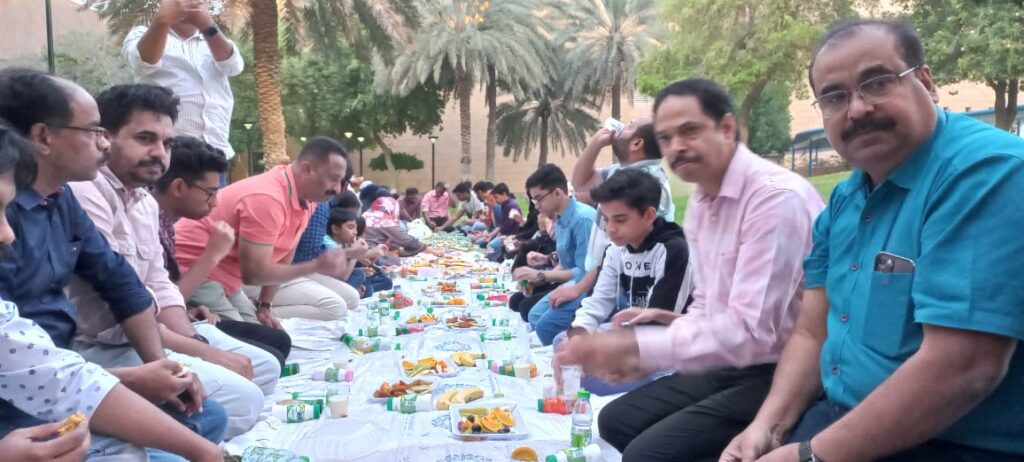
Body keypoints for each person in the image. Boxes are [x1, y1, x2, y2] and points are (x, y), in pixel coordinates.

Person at [723, 19, 1024, 462]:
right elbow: (812, 331)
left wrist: (809, 456)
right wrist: (768, 427)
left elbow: (965, 366)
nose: (858, 109)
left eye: (878, 82)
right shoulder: (845, 200)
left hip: (953, 442)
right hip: (839, 418)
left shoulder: (985, 173)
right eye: (834, 97)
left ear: (926, 83)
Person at [555, 78, 824, 461]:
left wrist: (640, 349)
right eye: (666, 138)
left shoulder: (776, 201)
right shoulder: (703, 202)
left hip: (778, 371)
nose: (676, 147)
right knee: (615, 421)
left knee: (645, 454)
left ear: (726, 128)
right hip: (723, 362)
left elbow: (750, 330)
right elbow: (709, 307)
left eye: (689, 131)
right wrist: (656, 334)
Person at [0, 69, 226, 457]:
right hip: (46, 379)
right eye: (94, 131)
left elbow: (123, 283)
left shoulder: (62, 200)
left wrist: (161, 368)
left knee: (207, 417)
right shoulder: (72, 197)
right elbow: (36, 370)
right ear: (42, 137)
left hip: (53, 369)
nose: (8, 235)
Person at [67, 85, 273, 439]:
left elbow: (159, 285)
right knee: (243, 400)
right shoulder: (85, 192)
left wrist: (196, 342)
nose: (159, 153)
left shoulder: (144, 203)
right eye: (145, 138)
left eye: (167, 143)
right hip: (100, 347)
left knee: (263, 368)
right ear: (104, 137)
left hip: (149, 337)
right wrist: (196, 352)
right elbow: (117, 303)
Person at [176, 136, 366, 324]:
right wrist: (316, 266)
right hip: (195, 270)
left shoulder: (307, 199)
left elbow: (285, 254)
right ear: (307, 169)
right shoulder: (268, 198)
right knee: (250, 340)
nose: (337, 189)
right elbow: (254, 274)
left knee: (267, 336)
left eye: (341, 181)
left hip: (228, 279)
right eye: (334, 179)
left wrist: (265, 306)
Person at [155, 136, 293, 370]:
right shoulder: (144, 221)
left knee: (277, 343)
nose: (216, 203)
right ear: (178, 187)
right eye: (210, 193)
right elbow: (153, 312)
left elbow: (167, 299)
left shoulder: (165, 222)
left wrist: (187, 311)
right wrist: (213, 254)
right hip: (151, 336)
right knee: (267, 361)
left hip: (176, 315)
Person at [548, 116, 682, 318]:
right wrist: (596, 143)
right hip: (604, 272)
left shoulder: (649, 182)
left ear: (637, 143)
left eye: (629, 126)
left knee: (549, 325)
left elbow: (622, 250)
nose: (620, 128)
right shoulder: (622, 171)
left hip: (624, 280)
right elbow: (580, 183)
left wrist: (580, 287)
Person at [123, 0, 244, 183]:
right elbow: (143, 62)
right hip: (168, 155)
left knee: (214, 202)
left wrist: (207, 25)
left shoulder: (214, 39)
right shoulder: (141, 34)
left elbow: (233, 67)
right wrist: (162, 20)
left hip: (214, 153)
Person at [515, 165, 595, 345]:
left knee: (542, 324)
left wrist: (542, 275)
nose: (537, 206)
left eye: (538, 199)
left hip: (587, 286)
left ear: (557, 193)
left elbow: (585, 272)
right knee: (533, 315)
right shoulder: (560, 218)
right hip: (571, 281)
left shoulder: (582, 219)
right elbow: (565, 262)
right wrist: (536, 277)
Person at [361, 184, 428, 257]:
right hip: (369, 253)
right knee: (396, 258)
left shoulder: (366, 214)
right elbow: (406, 241)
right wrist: (422, 246)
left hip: (359, 250)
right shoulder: (385, 221)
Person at [476, 183, 522, 259]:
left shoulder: (511, 206)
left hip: (511, 235)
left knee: (491, 245)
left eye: (496, 197)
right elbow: (501, 225)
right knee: (488, 244)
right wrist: (492, 234)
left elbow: (507, 226)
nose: (495, 200)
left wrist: (498, 236)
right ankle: (493, 258)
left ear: (504, 194)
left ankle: (493, 260)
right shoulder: (504, 205)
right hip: (504, 233)